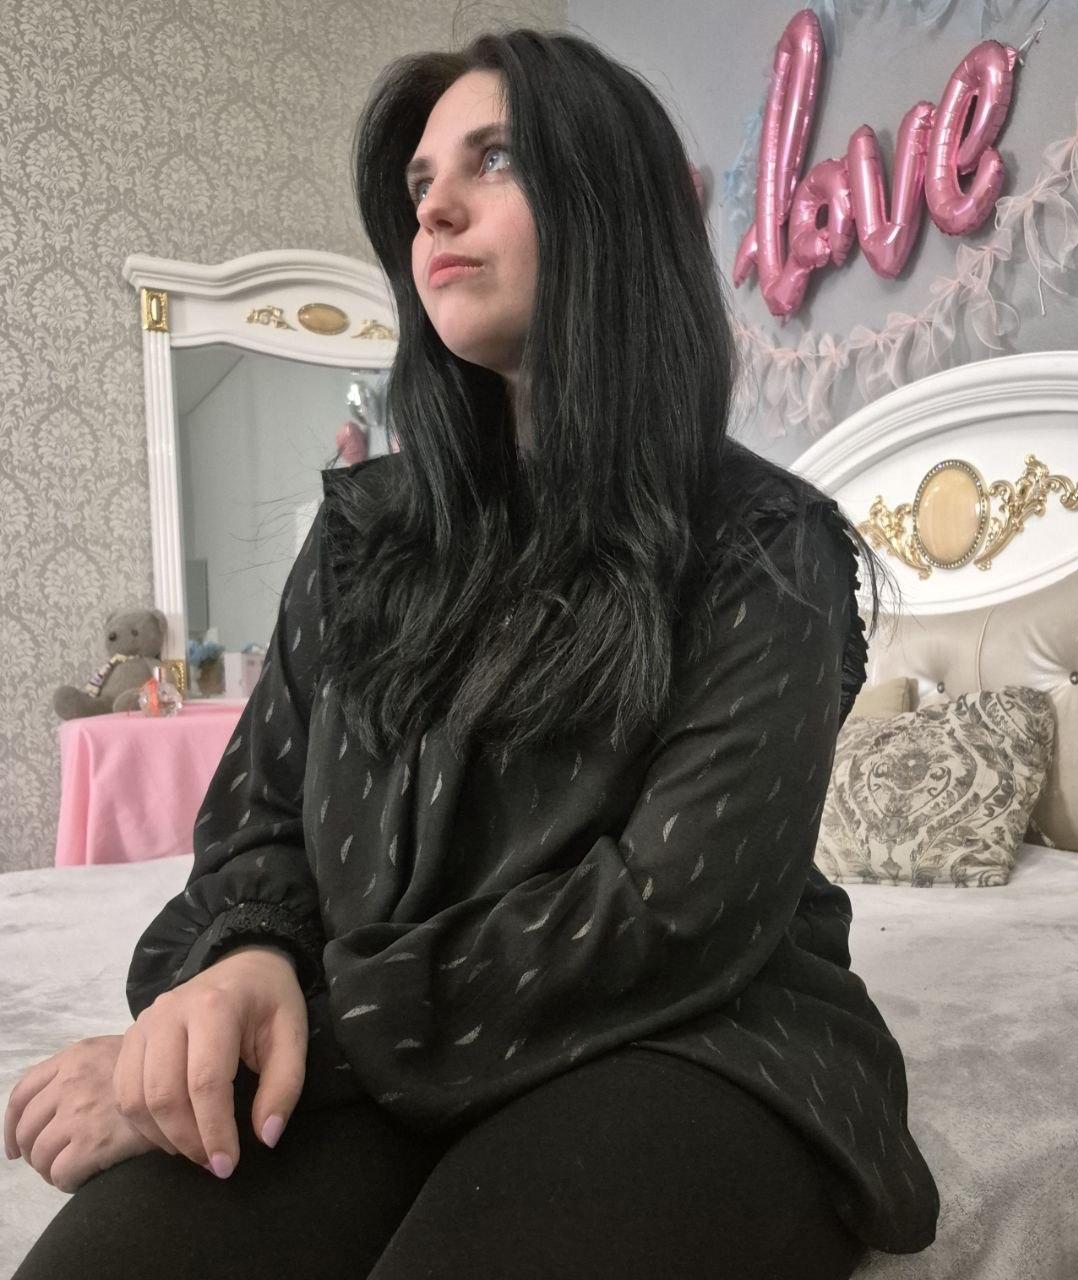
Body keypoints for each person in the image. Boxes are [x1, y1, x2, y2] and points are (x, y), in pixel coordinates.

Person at [5, 25, 939, 1280]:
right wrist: (242, 964)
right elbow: (260, 821)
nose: (433, 208)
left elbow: (670, 914)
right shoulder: (363, 534)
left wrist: (310, 1030)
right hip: (378, 1037)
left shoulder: (764, 545)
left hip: (683, 1035)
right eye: (419, 184)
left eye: (492, 159)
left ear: (611, 205)